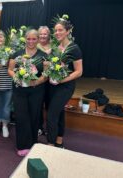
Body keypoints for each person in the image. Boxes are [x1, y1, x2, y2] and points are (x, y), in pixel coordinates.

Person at [8, 29, 47, 156]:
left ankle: (32, 143)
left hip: (36, 90)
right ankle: (22, 145)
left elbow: (46, 74)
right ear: (25, 39)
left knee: (34, 116)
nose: (31, 41)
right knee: (21, 117)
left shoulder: (43, 55)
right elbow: (10, 70)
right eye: (28, 39)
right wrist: (17, 78)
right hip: (20, 90)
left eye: (34, 39)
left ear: (38, 40)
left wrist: (36, 82)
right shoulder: (17, 54)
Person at [46, 17, 83, 148]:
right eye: (55, 30)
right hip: (52, 86)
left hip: (65, 87)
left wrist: (62, 79)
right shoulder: (55, 47)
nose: (57, 33)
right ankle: (59, 141)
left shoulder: (74, 48)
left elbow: (79, 71)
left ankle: (50, 144)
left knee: (51, 115)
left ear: (68, 31)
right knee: (59, 113)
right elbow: (50, 64)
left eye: (60, 30)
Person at [37, 26, 52, 136]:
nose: (42, 36)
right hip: (38, 79)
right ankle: (38, 126)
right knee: (38, 105)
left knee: (49, 105)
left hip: (51, 81)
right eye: (41, 34)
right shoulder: (34, 45)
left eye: (45, 34)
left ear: (48, 35)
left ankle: (49, 128)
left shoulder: (54, 46)